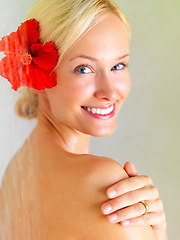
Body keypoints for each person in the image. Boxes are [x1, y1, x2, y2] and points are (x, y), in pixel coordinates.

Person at [0, 0, 168, 239]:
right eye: (84, 68)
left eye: (118, 65)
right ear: (34, 75)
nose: (109, 92)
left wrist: (158, 228)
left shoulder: (16, 173)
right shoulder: (103, 185)